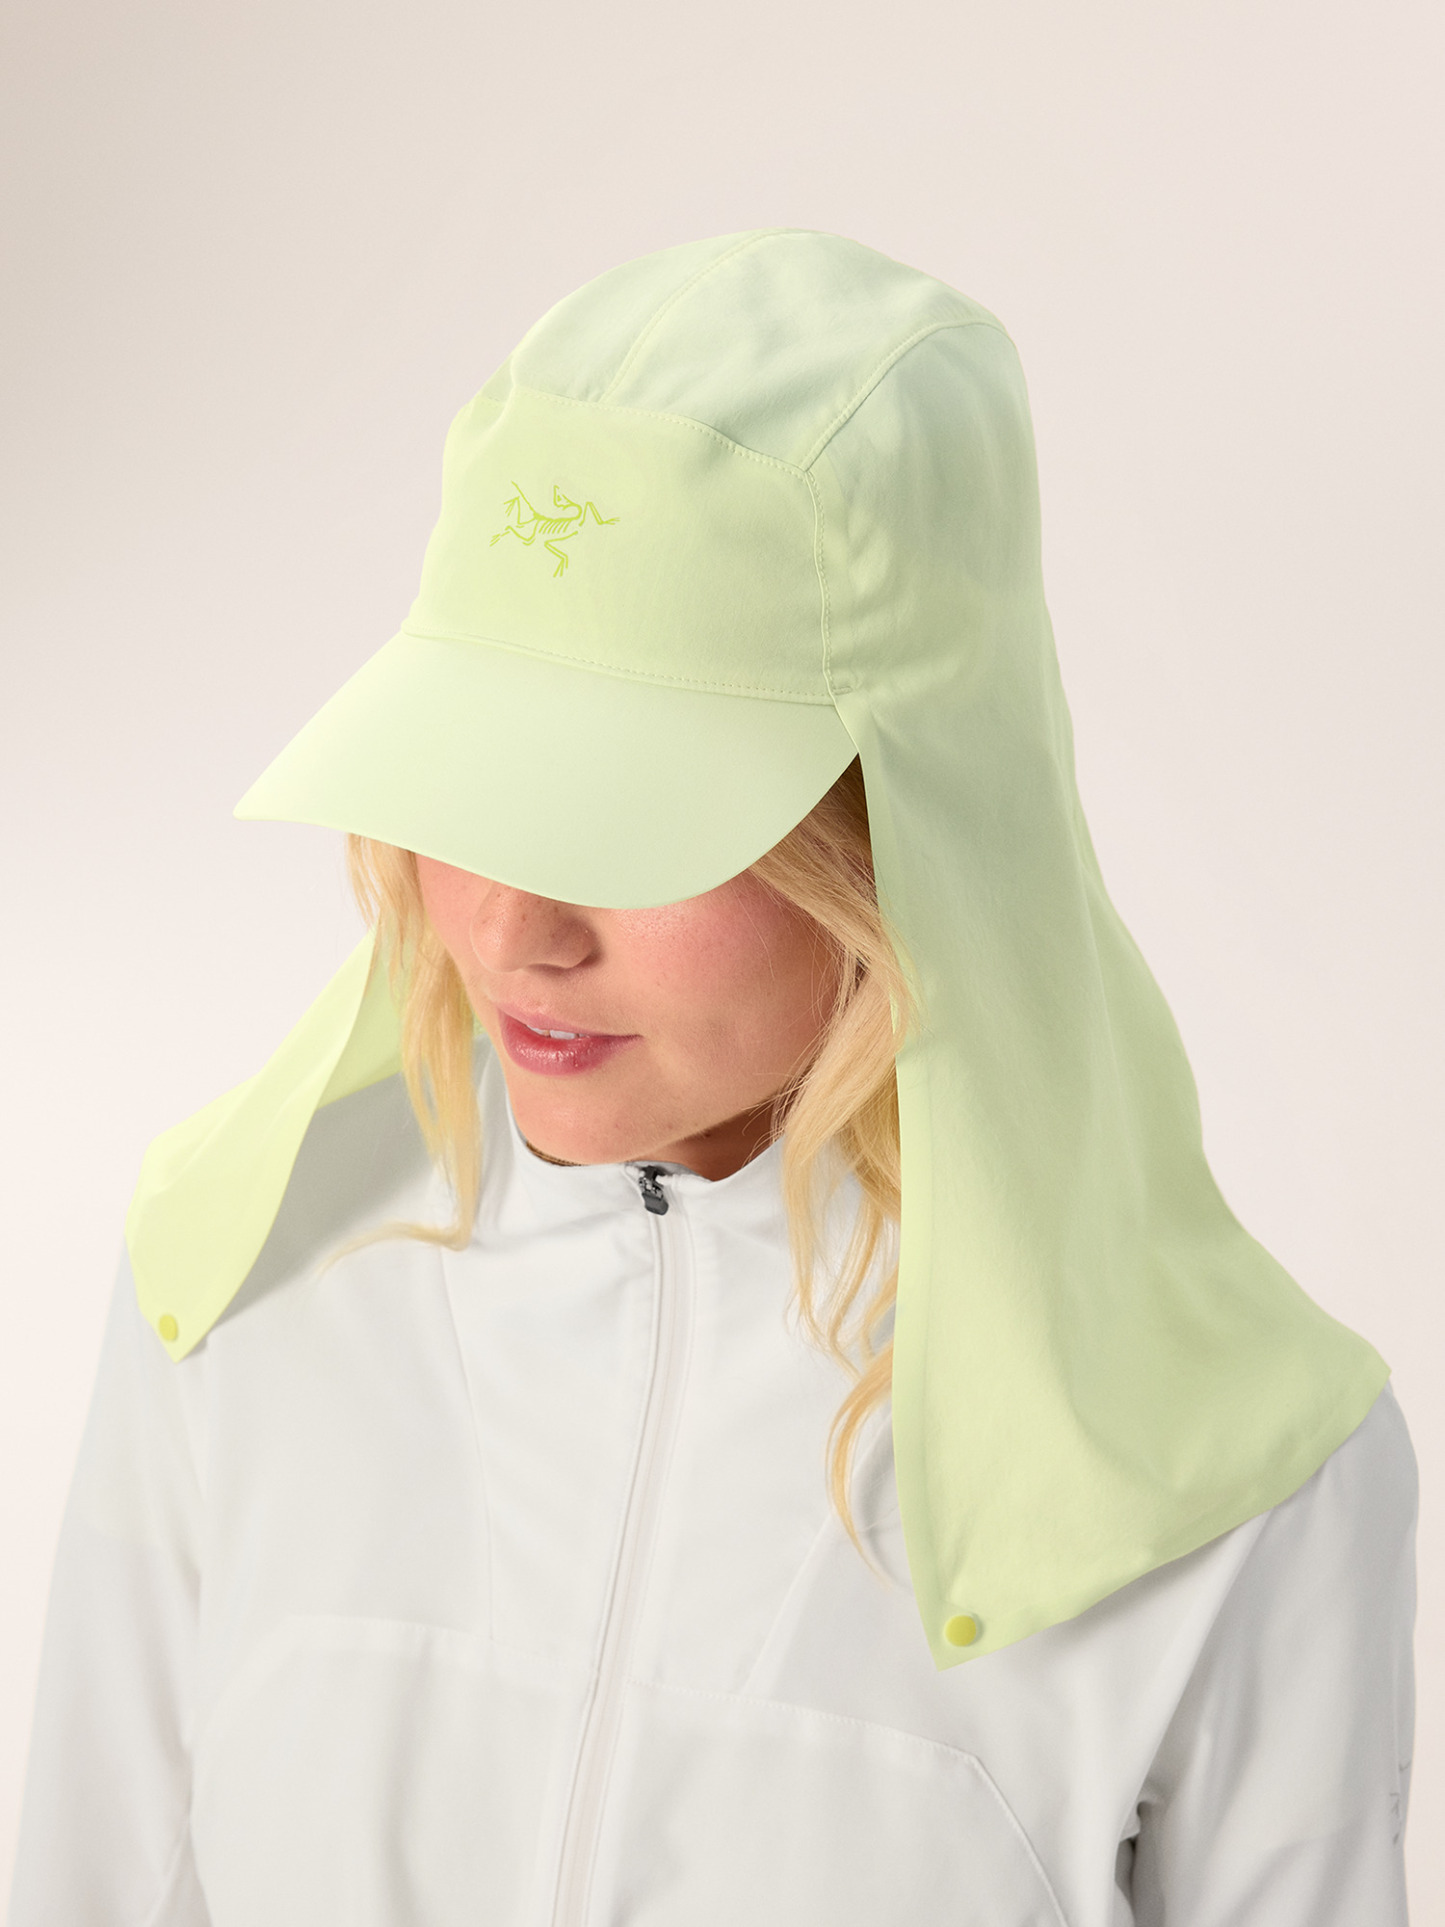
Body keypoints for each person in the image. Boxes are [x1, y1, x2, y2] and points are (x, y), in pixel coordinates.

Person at [8, 229, 1416, 1926]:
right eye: (469, 781)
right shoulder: (237, 1281)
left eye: (631, 817)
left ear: (901, 824)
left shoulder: (1225, 1471)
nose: (511, 931)